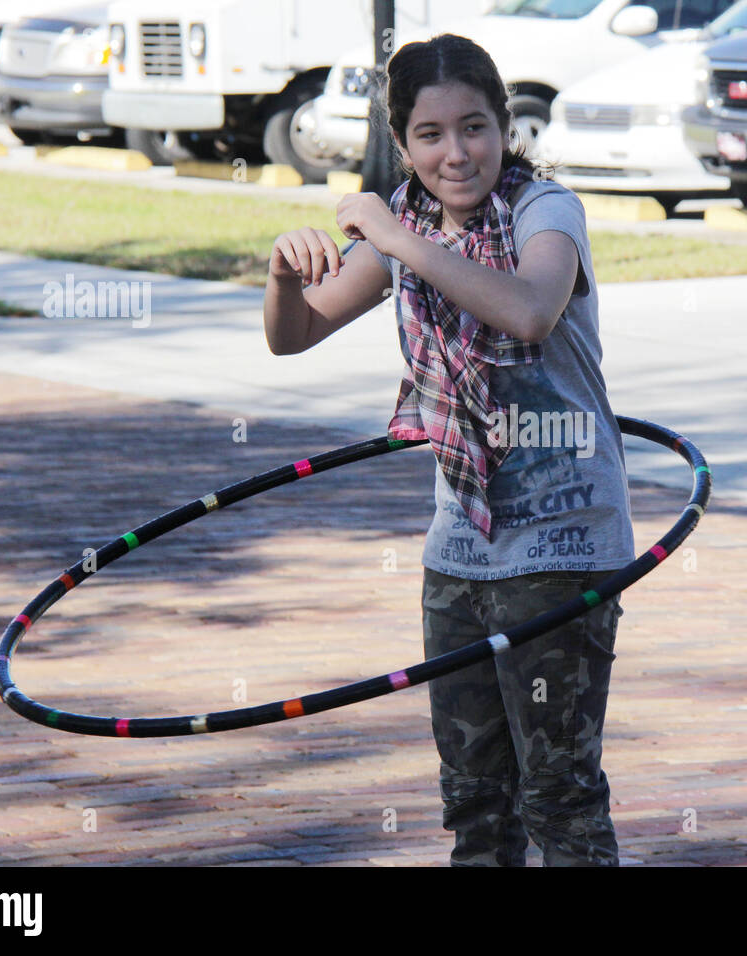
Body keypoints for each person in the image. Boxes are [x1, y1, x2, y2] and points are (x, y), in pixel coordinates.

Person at [262, 33, 634, 867]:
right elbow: (295, 336)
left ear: (505, 126)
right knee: (474, 801)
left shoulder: (545, 211)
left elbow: (532, 309)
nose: (456, 153)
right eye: (430, 135)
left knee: (560, 798)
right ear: (403, 145)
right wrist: (285, 274)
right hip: (461, 552)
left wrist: (397, 242)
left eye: (475, 127)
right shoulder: (412, 231)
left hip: (563, 545)